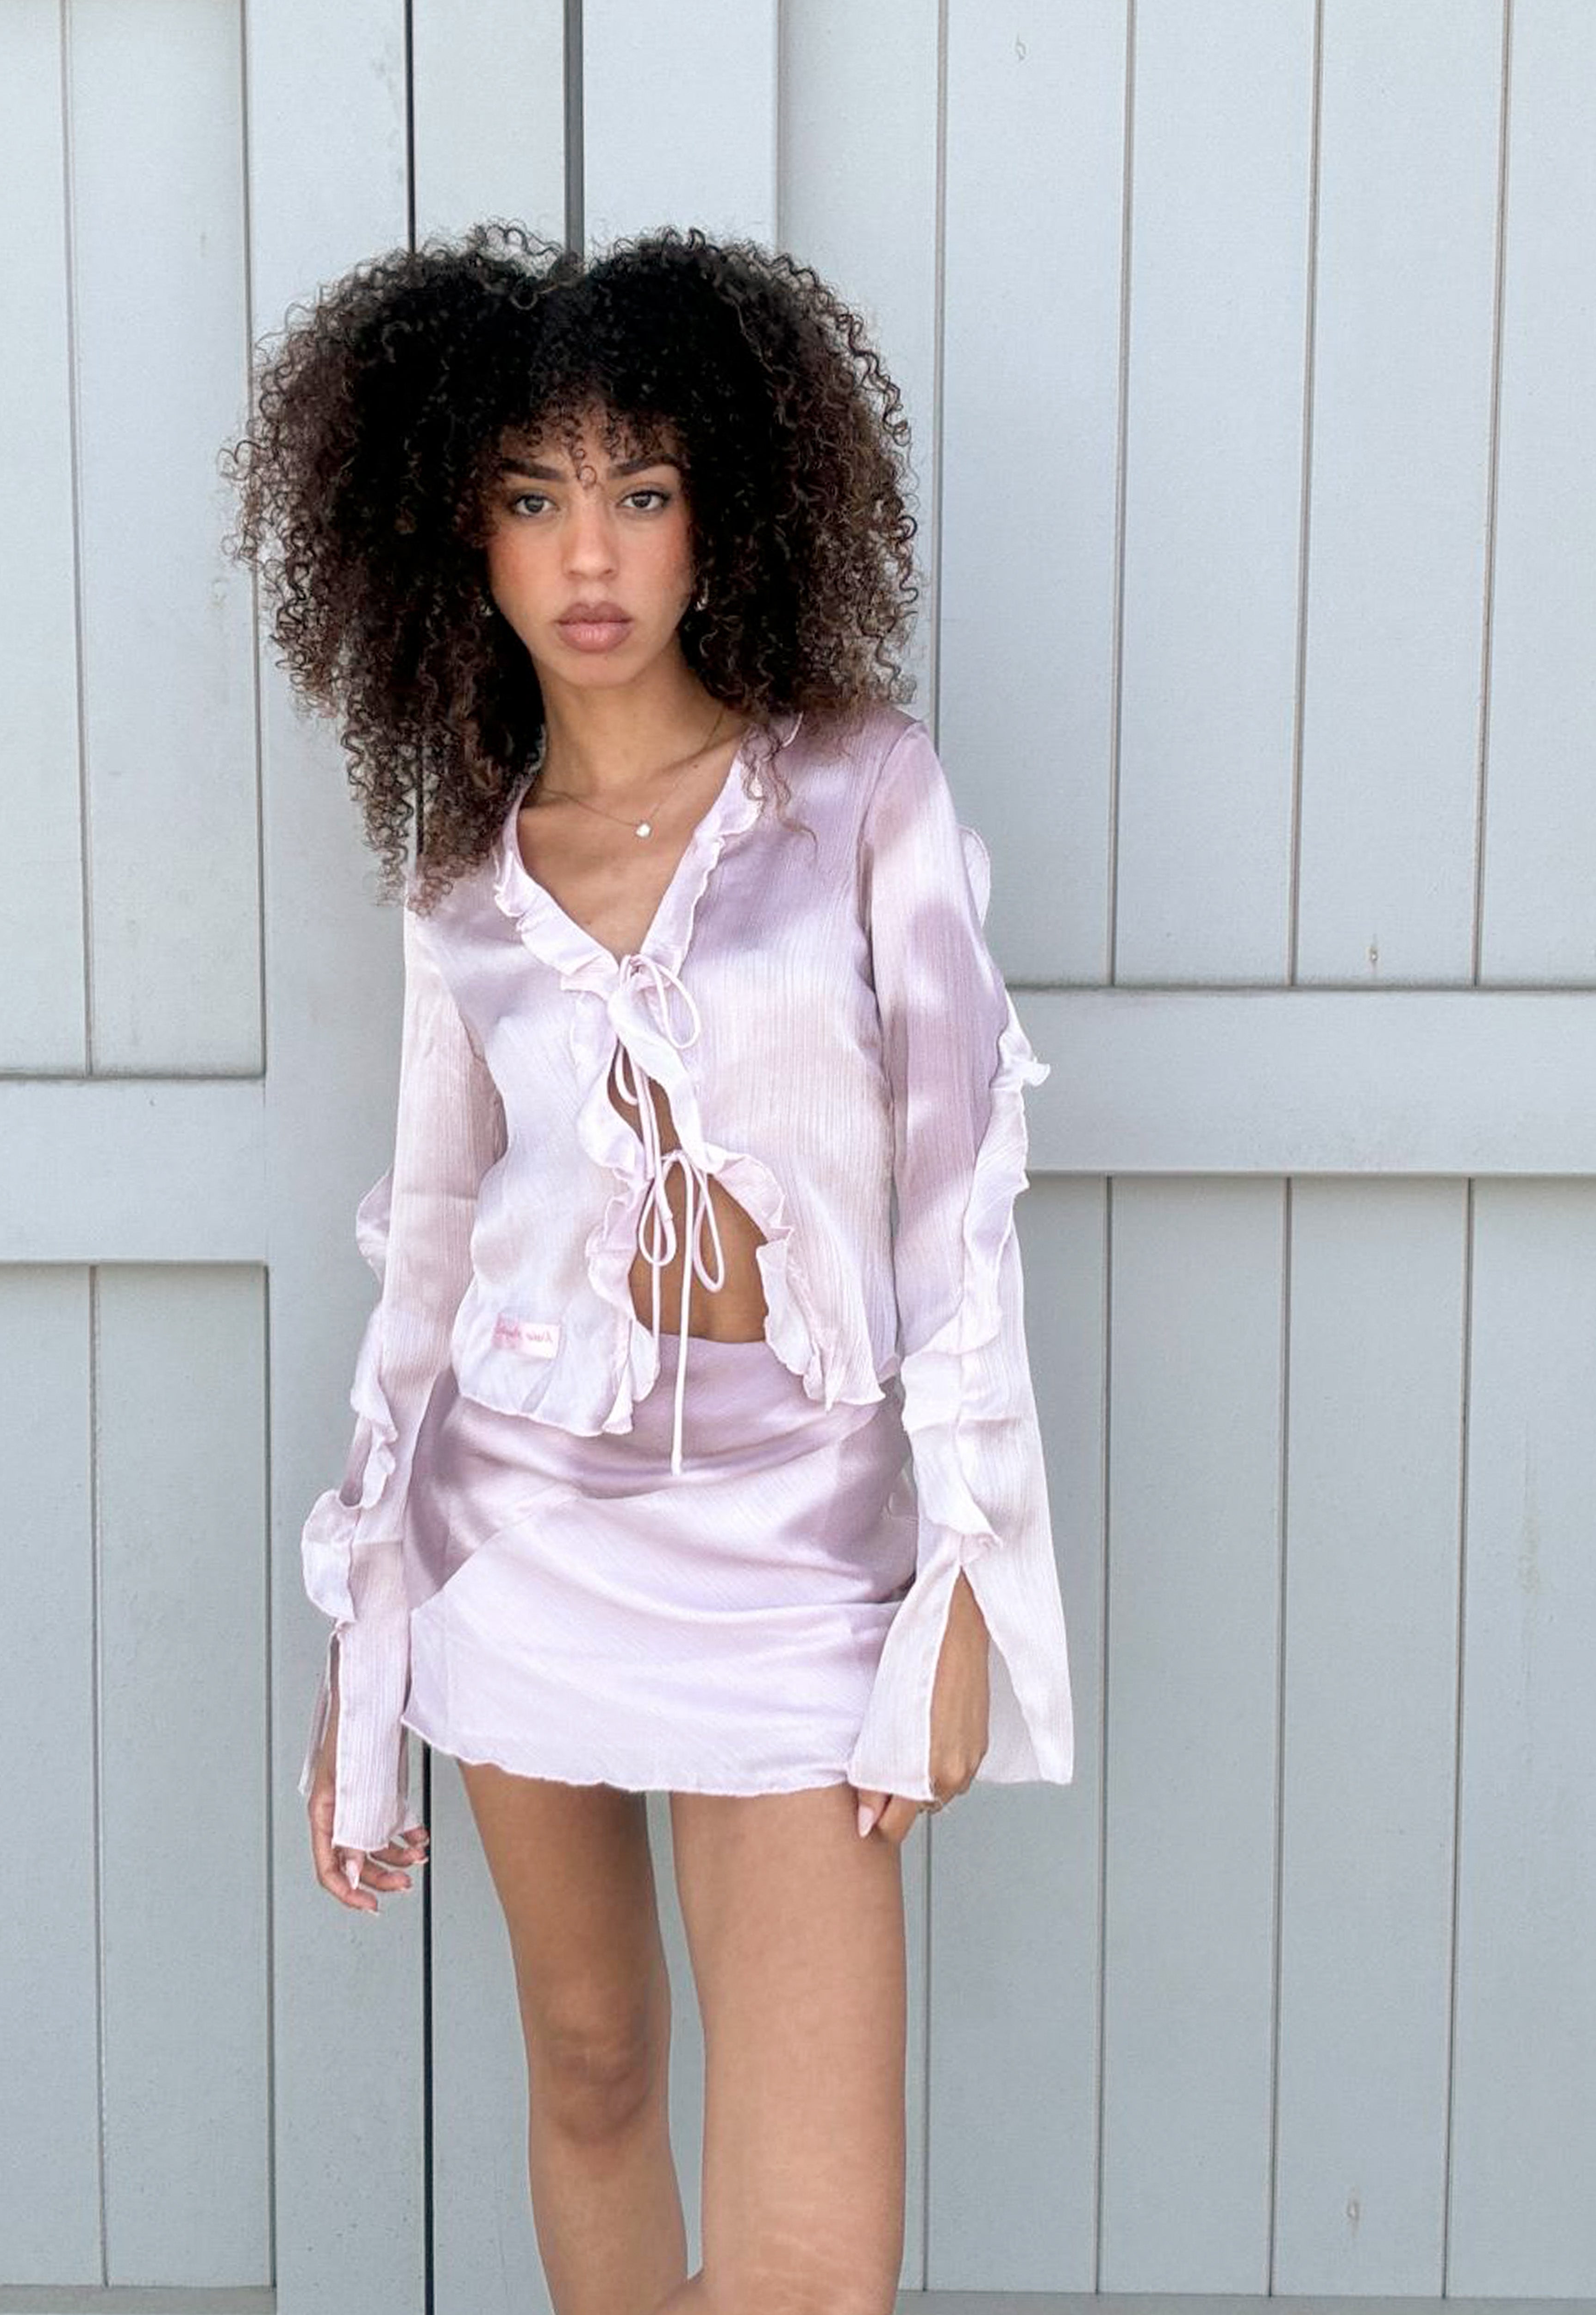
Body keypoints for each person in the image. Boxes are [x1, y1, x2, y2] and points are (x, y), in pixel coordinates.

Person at [222, 219, 1074, 2315]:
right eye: (533, 497)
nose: (588, 554)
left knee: (807, 2267)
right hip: (518, 1528)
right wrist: (365, 1634)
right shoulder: (464, 887)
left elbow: (958, 1201)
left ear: (726, 515)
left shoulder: (859, 792)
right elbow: (432, 1254)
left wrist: (967, 1578)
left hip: (800, 1545)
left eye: (641, 490)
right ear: (462, 535)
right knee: (593, 2063)